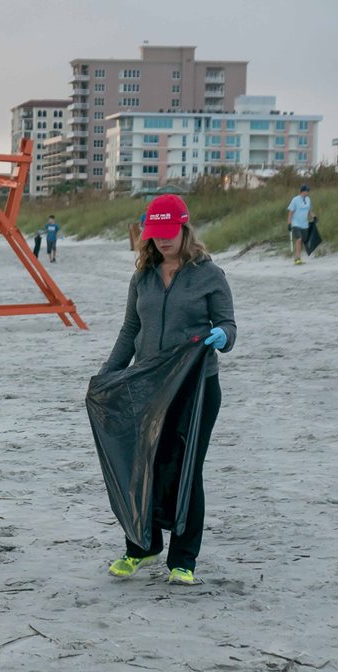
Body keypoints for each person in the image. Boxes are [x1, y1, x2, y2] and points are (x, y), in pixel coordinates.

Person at [99, 194, 236, 586]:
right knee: (141, 467)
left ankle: (183, 557)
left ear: (184, 228)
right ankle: (141, 547)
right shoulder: (142, 277)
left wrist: (221, 336)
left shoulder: (210, 275)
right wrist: (108, 374)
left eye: (168, 232)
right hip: (148, 388)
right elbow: (130, 331)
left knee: (186, 469)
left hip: (195, 389)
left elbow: (230, 326)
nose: (162, 241)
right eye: (155, 234)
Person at [287, 184, 315, 265]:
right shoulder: (295, 200)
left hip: (305, 224)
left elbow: (309, 210)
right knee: (299, 239)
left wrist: (314, 217)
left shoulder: (308, 199)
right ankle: (297, 258)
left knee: (302, 240)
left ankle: (298, 256)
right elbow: (290, 212)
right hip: (296, 224)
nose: (307, 192)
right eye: (306, 191)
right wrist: (289, 223)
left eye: (308, 191)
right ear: (302, 191)